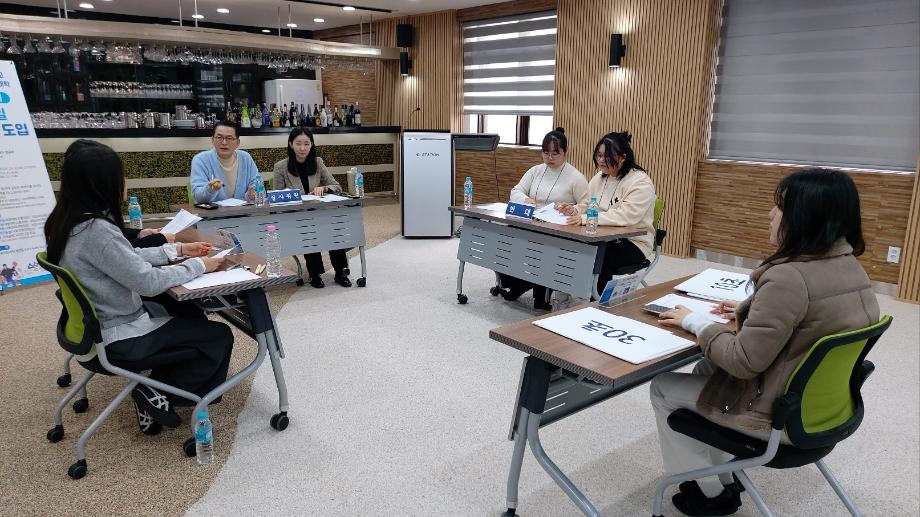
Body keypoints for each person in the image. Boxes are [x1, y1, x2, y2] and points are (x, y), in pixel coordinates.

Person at [650, 168, 879, 516]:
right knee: (706, 369)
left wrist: (695, 321)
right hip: (826, 409)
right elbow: (811, 317)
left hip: (777, 414)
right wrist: (753, 308)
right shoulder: (852, 268)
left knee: (663, 387)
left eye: (780, 206)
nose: (770, 214)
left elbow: (743, 361)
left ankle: (710, 492)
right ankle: (723, 474)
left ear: (805, 217)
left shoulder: (789, 278)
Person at [44, 139, 235, 433]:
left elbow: (124, 258)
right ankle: (158, 394)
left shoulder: (65, 221)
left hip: (92, 330)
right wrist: (199, 265)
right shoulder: (98, 231)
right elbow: (148, 282)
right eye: (120, 175)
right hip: (118, 335)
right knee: (217, 336)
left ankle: (157, 388)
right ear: (101, 183)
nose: (125, 182)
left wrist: (178, 251)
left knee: (187, 316)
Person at [498, 127, 587, 310]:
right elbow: (515, 191)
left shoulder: (576, 177)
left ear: (565, 152)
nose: (550, 158)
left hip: (557, 230)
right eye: (546, 153)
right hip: (531, 222)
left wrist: (572, 209)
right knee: (506, 238)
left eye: (555, 153)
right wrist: (526, 200)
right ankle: (519, 283)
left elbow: (587, 205)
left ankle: (538, 291)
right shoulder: (536, 171)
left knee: (541, 246)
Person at [558, 131, 655, 295]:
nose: (601, 160)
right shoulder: (600, 178)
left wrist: (585, 219)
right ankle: (564, 293)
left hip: (634, 242)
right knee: (568, 246)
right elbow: (590, 204)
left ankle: (596, 302)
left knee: (597, 255)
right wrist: (574, 209)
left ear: (623, 158)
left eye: (607, 156)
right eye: (599, 155)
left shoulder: (640, 181)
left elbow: (626, 216)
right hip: (602, 235)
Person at [273, 127, 352, 288]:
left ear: (311, 144)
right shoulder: (281, 166)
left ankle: (340, 271)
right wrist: (289, 194)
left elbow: (336, 186)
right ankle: (315, 273)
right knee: (309, 229)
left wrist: (324, 188)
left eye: (306, 144)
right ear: (291, 144)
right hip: (297, 216)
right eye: (298, 144)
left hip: (319, 213)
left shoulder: (318, 162)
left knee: (333, 228)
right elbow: (276, 198)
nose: (302, 148)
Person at [190, 121, 260, 204]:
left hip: (242, 211)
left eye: (229, 138)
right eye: (219, 137)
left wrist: (251, 193)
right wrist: (210, 189)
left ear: (237, 142)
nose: (224, 142)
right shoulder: (201, 160)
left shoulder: (245, 158)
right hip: (213, 212)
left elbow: (257, 183)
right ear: (212, 140)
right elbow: (198, 196)